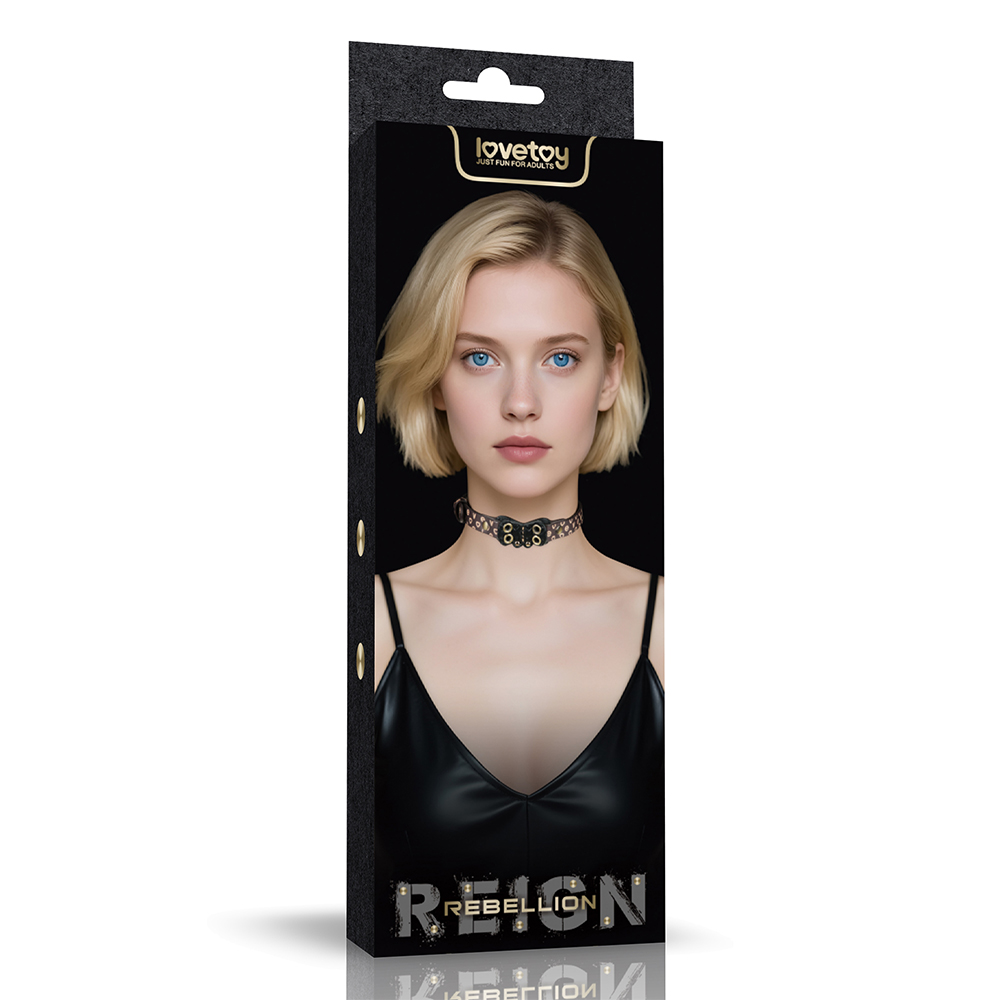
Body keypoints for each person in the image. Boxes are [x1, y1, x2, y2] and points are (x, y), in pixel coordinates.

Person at [372, 190, 663, 950]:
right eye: (479, 357)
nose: (522, 402)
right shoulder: (368, 624)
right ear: (435, 377)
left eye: (561, 358)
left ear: (610, 376)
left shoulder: (670, 628)